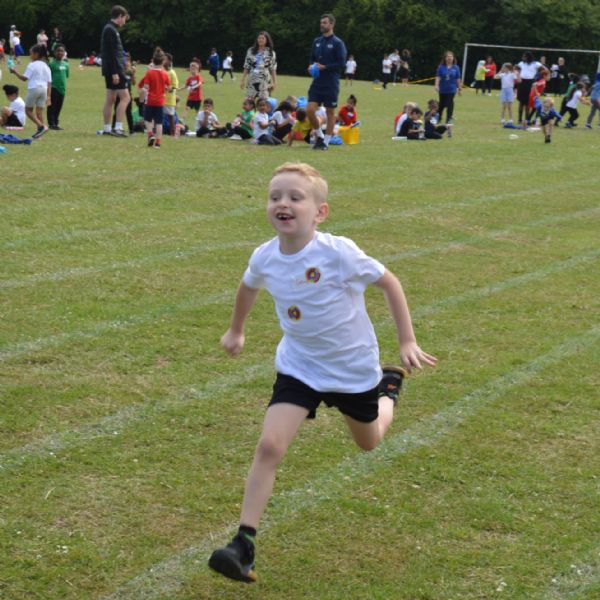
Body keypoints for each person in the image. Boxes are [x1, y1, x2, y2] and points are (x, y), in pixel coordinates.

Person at [208, 162, 437, 583]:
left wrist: (407, 340)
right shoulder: (265, 256)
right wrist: (236, 329)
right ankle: (243, 544)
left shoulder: (338, 252)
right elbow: (248, 287)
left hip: (352, 370)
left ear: (320, 212)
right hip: (300, 367)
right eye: (275, 196)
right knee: (270, 445)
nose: (283, 204)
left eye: (295, 197)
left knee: (369, 441)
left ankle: (388, 391)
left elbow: (390, 283)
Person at [306, 13, 347, 150]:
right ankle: (320, 136)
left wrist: (325, 67)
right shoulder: (317, 41)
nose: (322, 25)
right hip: (317, 82)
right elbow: (312, 58)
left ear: (331, 24)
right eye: (321, 22)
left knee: (330, 112)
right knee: (309, 110)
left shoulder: (338, 43)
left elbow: (341, 63)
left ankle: (326, 143)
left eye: (324, 22)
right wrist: (311, 66)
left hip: (331, 83)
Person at [9, 43, 51, 138]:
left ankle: (42, 127)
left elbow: (24, 78)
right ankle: (39, 135)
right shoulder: (46, 66)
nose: (30, 56)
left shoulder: (32, 65)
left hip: (34, 89)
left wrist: (15, 72)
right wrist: (49, 96)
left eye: (31, 53)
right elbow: (49, 82)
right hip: (44, 90)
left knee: (28, 110)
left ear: (36, 54)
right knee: (39, 112)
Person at [100, 5, 130, 137]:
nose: (125, 22)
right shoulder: (110, 30)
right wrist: (114, 72)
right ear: (120, 16)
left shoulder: (110, 29)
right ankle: (117, 127)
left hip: (113, 69)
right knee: (126, 97)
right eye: (124, 19)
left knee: (111, 98)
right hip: (115, 69)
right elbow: (111, 53)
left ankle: (107, 129)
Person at [137, 48, 171, 148]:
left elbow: (146, 87)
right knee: (159, 123)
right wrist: (166, 88)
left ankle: (150, 134)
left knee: (147, 119)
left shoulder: (149, 73)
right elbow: (169, 88)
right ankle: (158, 143)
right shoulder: (165, 74)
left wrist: (141, 97)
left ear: (153, 60)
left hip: (150, 101)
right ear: (163, 61)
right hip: (160, 102)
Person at [240, 32, 277, 101]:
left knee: (263, 102)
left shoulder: (271, 52)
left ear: (267, 40)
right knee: (249, 101)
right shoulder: (250, 50)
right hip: (252, 79)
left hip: (264, 80)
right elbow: (246, 66)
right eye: (259, 38)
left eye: (263, 38)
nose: (260, 40)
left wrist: (274, 83)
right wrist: (242, 80)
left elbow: (273, 68)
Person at [434, 50, 461, 133]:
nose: (449, 58)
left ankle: (448, 120)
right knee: (441, 104)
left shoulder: (456, 67)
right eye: (448, 57)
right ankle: (438, 117)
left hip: (452, 89)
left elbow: (457, 78)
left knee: (450, 103)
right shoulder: (441, 67)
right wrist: (436, 85)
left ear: (453, 58)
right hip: (442, 89)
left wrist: (459, 87)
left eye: (451, 56)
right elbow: (438, 77)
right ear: (445, 58)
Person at [112, 52, 136, 134]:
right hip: (119, 94)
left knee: (129, 112)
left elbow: (134, 83)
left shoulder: (130, 71)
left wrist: (133, 74)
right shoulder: (120, 70)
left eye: (128, 59)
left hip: (128, 94)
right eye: (125, 59)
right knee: (117, 111)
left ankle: (131, 130)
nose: (127, 61)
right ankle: (113, 127)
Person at [47, 43, 69, 130]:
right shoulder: (51, 64)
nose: (60, 52)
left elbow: (66, 76)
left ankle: (56, 123)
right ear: (54, 52)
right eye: (58, 51)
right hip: (53, 88)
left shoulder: (66, 64)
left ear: (64, 52)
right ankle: (51, 124)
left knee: (59, 107)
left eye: (62, 51)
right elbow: (48, 78)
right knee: (52, 106)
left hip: (62, 89)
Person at [516, 51, 542, 125]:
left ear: (528, 57)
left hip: (530, 83)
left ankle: (527, 119)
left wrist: (538, 77)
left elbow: (544, 69)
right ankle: (519, 119)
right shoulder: (521, 63)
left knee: (528, 101)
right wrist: (518, 76)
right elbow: (515, 69)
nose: (522, 58)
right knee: (521, 101)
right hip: (522, 83)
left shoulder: (535, 64)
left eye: (524, 56)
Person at [181, 59, 203, 124]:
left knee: (197, 110)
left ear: (197, 69)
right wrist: (178, 89)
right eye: (191, 69)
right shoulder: (189, 78)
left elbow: (200, 83)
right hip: (190, 97)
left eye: (194, 69)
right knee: (187, 108)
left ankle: (199, 121)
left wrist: (193, 87)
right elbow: (185, 86)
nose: (192, 70)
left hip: (197, 97)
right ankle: (182, 120)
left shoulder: (198, 76)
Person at [163, 52, 179, 136]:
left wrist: (169, 89)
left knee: (170, 116)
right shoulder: (161, 71)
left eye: (165, 59)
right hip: (160, 98)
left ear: (169, 61)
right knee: (158, 115)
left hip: (169, 99)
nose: (163, 60)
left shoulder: (172, 73)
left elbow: (175, 86)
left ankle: (172, 133)